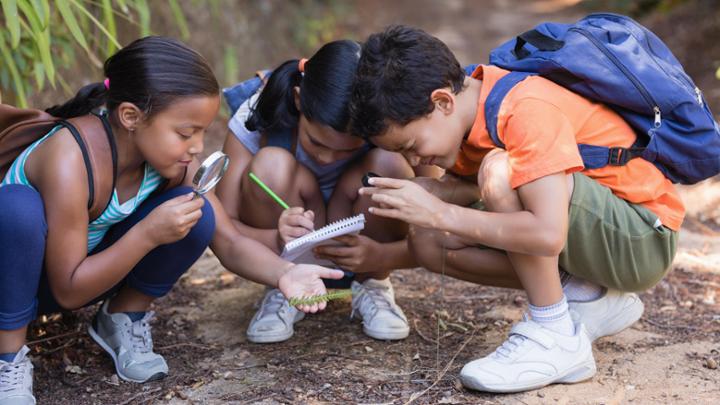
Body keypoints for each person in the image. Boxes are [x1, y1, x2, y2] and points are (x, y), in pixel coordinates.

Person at [0, 36, 342, 405]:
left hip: (73, 278)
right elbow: (68, 290)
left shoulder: (171, 162)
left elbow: (227, 240)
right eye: (185, 132)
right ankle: (7, 357)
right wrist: (147, 234)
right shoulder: (69, 159)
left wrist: (283, 273)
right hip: (20, 283)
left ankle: (121, 319)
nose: (197, 146)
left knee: (195, 209)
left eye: (201, 131)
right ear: (130, 117)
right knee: (18, 210)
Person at [349, 26, 683, 392]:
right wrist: (439, 193)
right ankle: (590, 295)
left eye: (411, 144)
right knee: (429, 240)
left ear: (443, 101)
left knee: (500, 172)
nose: (414, 159)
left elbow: (546, 233)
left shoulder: (523, 108)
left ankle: (554, 333)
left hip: (641, 239)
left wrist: (439, 211)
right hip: (596, 230)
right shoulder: (467, 114)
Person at [217, 39, 442, 343]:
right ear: (298, 101)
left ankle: (372, 284)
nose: (326, 158)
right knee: (270, 164)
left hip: (364, 234)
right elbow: (223, 222)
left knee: (388, 163)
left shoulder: (389, 121)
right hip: (289, 245)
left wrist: (383, 256)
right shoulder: (260, 113)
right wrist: (275, 237)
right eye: (317, 143)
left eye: (346, 151)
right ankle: (285, 282)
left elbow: (436, 208)